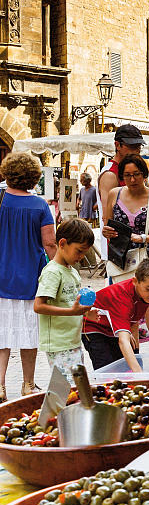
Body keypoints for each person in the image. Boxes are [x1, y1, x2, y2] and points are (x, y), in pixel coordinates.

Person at [101, 153, 149, 353]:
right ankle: (135, 369)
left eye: (136, 174)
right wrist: (106, 231)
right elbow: (107, 224)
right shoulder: (115, 195)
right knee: (128, 323)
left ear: (145, 175)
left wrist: (145, 238)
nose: (132, 179)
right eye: (127, 175)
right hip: (122, 265)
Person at [0, 153, 56, 400]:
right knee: (29, 334)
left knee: (2, 334)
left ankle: (0, 386)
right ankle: (27, 384)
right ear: (34, 177)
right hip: (31, 278)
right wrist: (61, 272)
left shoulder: (0, 200)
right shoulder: (40, 205)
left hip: (1, 277)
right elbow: (50, 244)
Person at [34, 218, 98, 376]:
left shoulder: (72, 271)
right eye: (79, 251)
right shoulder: (52, 272)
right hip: (58, 343)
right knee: (70, 387)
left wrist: (85, 312)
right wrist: (72, 312)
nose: (82, 257)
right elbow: (38, 306)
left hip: (72, 340)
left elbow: (71, 303)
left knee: (70, 386)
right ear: (62, 243)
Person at [82, 258, 149, 371]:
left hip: (113, 327)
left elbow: (132, 317)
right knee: (107, 369)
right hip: (93, 326)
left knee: (126, 366)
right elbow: (123, 341)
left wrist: (126, 331)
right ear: (135, 281)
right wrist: (139, 373)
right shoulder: (122, 297)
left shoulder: (145, 294)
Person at [97, 124, 145, 262]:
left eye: (138, 146)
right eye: (132, 146)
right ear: (118, 145)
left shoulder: (130, 171)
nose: (136, 150)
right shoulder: (110, 174)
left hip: (137, 243)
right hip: (121, 248)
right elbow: (108, 218)